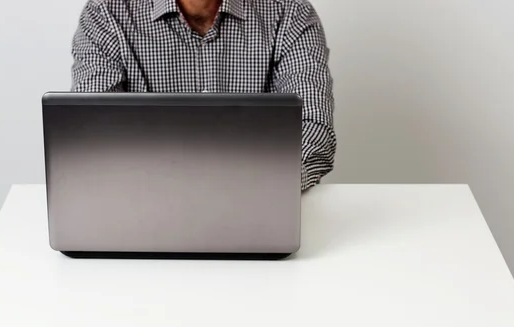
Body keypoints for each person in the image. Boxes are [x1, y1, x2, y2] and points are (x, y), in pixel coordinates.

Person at [71, 0, 336, 190]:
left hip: (256, 210)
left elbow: (312, 127)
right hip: (142, 211)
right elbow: (93, 136)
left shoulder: (290, 12)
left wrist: (254, 186)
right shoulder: (106, 13)